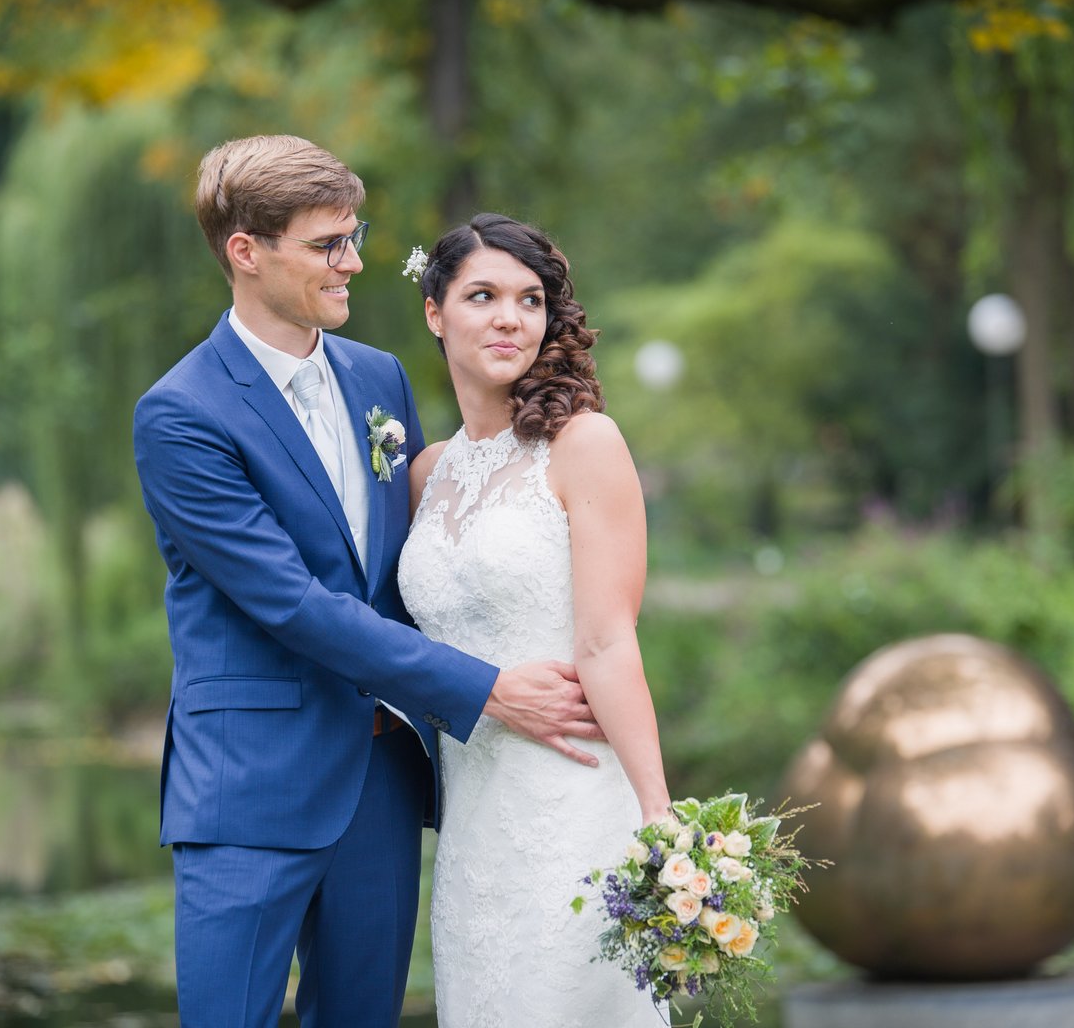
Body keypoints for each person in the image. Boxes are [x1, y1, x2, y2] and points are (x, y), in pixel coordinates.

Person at [131, 137, 603, 1028]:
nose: (352, 262)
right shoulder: (182, 414)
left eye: (354, 237)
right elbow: (289, 602)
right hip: (248, 788)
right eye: (326, 245)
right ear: (247, 251)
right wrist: (487, 688)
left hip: (380, 779)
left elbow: (418, 567)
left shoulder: (377, 378)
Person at [398, 213, 672, 1027]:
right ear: (435, 312)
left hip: (572, 796)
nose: (510, 318)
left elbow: (608, 639)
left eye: (530, 300)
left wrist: (661, 816)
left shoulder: (584, 444)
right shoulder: (425, 474)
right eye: (482, 296)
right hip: (473, 817)